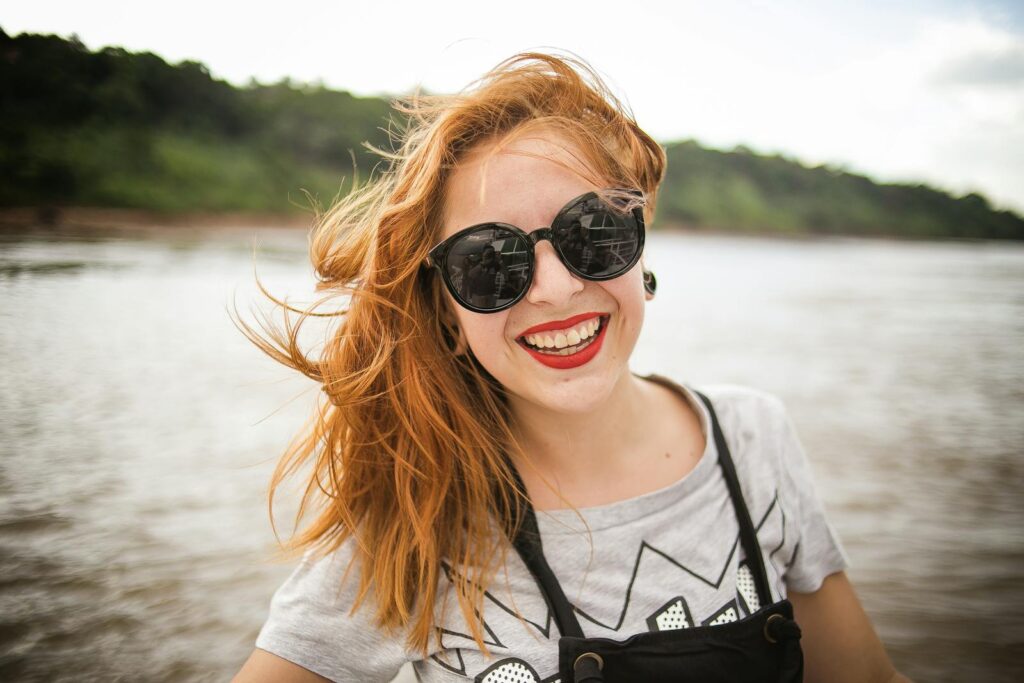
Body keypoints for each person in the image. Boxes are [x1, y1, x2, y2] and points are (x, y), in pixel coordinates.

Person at [233, 52, 910, 683]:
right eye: (490, 262)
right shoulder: (410, 523)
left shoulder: (752, 438)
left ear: (640, 248)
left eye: (593, 233)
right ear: (446, 310)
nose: (554, 288)